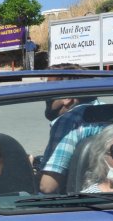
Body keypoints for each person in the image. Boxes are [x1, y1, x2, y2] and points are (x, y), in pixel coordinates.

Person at [39, 64, 103, 193]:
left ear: (67, 98)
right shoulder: (106, 111)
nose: (44, 96)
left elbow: (48, 187)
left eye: (49, 90)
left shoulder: (70, 121)